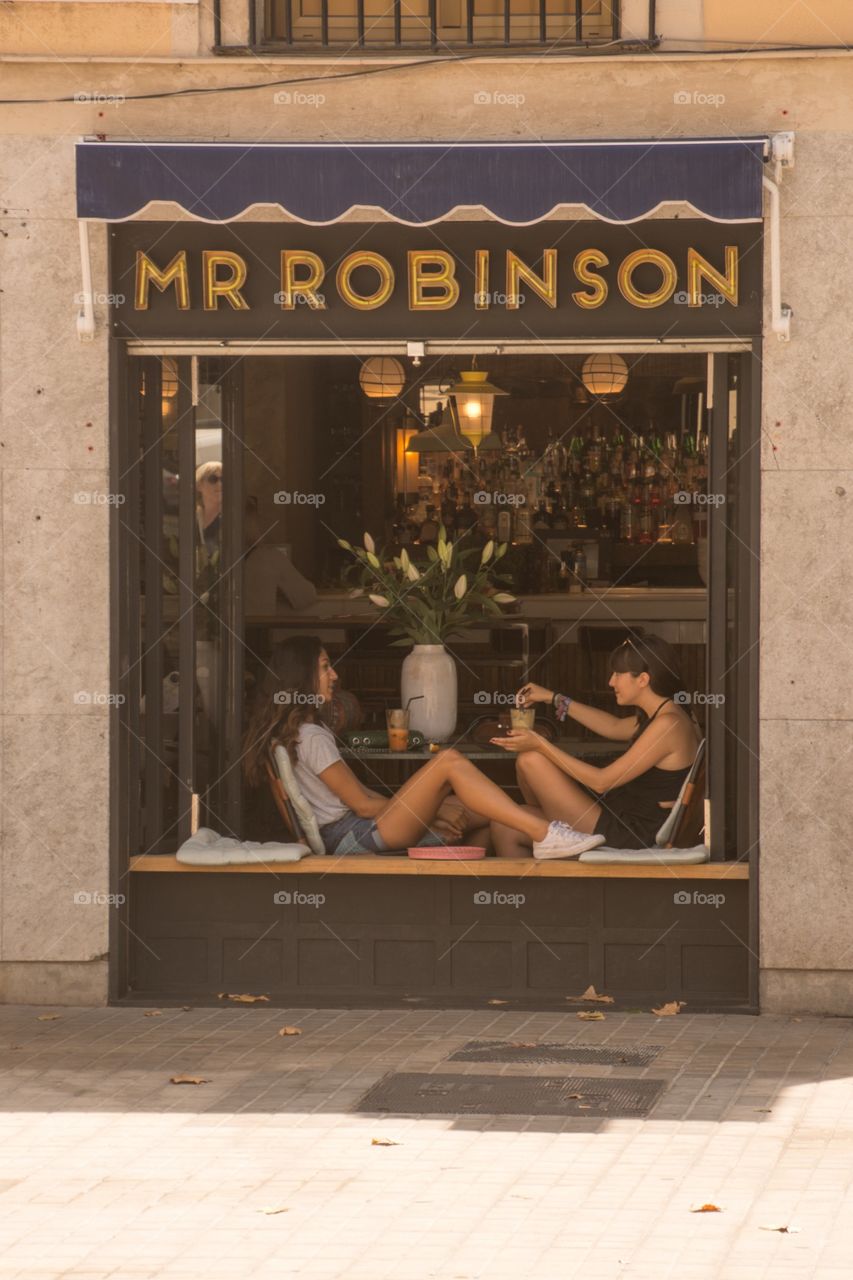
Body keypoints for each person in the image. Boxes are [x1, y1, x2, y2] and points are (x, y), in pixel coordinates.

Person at [243, 636, 598, 857]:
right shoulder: (312, 736)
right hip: (355, 835)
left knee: (486, 811)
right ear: (300, 677)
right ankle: (546, 833)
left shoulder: (295, 732)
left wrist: (438, 808)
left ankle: (552, 837)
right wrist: (431, 812)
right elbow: (364, 805)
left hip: (354, 830)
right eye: (324, 667)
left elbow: (361, 797)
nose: (334, 675)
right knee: (449, 761)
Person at [488, 633, 701, 859]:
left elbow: (602, 782)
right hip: (621, 816)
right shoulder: (669, 714)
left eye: (618, 674)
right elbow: (613, 725)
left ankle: (557, 836)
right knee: (507, 826)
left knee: (531, 759)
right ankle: (534, 890)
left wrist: (541, 745)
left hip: (631, 833)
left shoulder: (668, 725)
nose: (611, 682)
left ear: (643, 680)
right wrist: (553, 698)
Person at [195, 460, 222, 557]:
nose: (219, 484)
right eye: (213, 479)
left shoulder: (230, 517)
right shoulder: (192, 517)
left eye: (223, 480)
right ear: (199, 485)